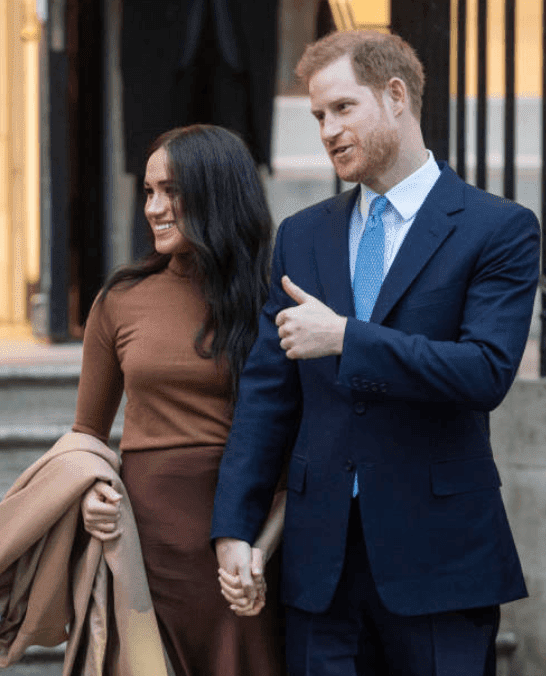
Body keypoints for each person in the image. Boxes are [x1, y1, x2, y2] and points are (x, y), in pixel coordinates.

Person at [211, 30, 540, 676]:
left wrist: (346, 338)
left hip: (442, 562)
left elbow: (485, 371)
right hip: (319, 567)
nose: (327, 130)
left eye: (341, 108)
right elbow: (266, 398)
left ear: (395, 97)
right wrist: (234, 529)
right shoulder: (302, 237)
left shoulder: (497, 229)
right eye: (317, 117)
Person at [73, 124, 286, 676]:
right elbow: (86, 440)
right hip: (145, 543)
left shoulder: (270, 301)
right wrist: (93, 492)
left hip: (242, 549)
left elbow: (292, 453)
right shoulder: (120, 299)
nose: (154, 208)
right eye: (149, 192)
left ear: (218, 193)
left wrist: (258, 552)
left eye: (171, 191)